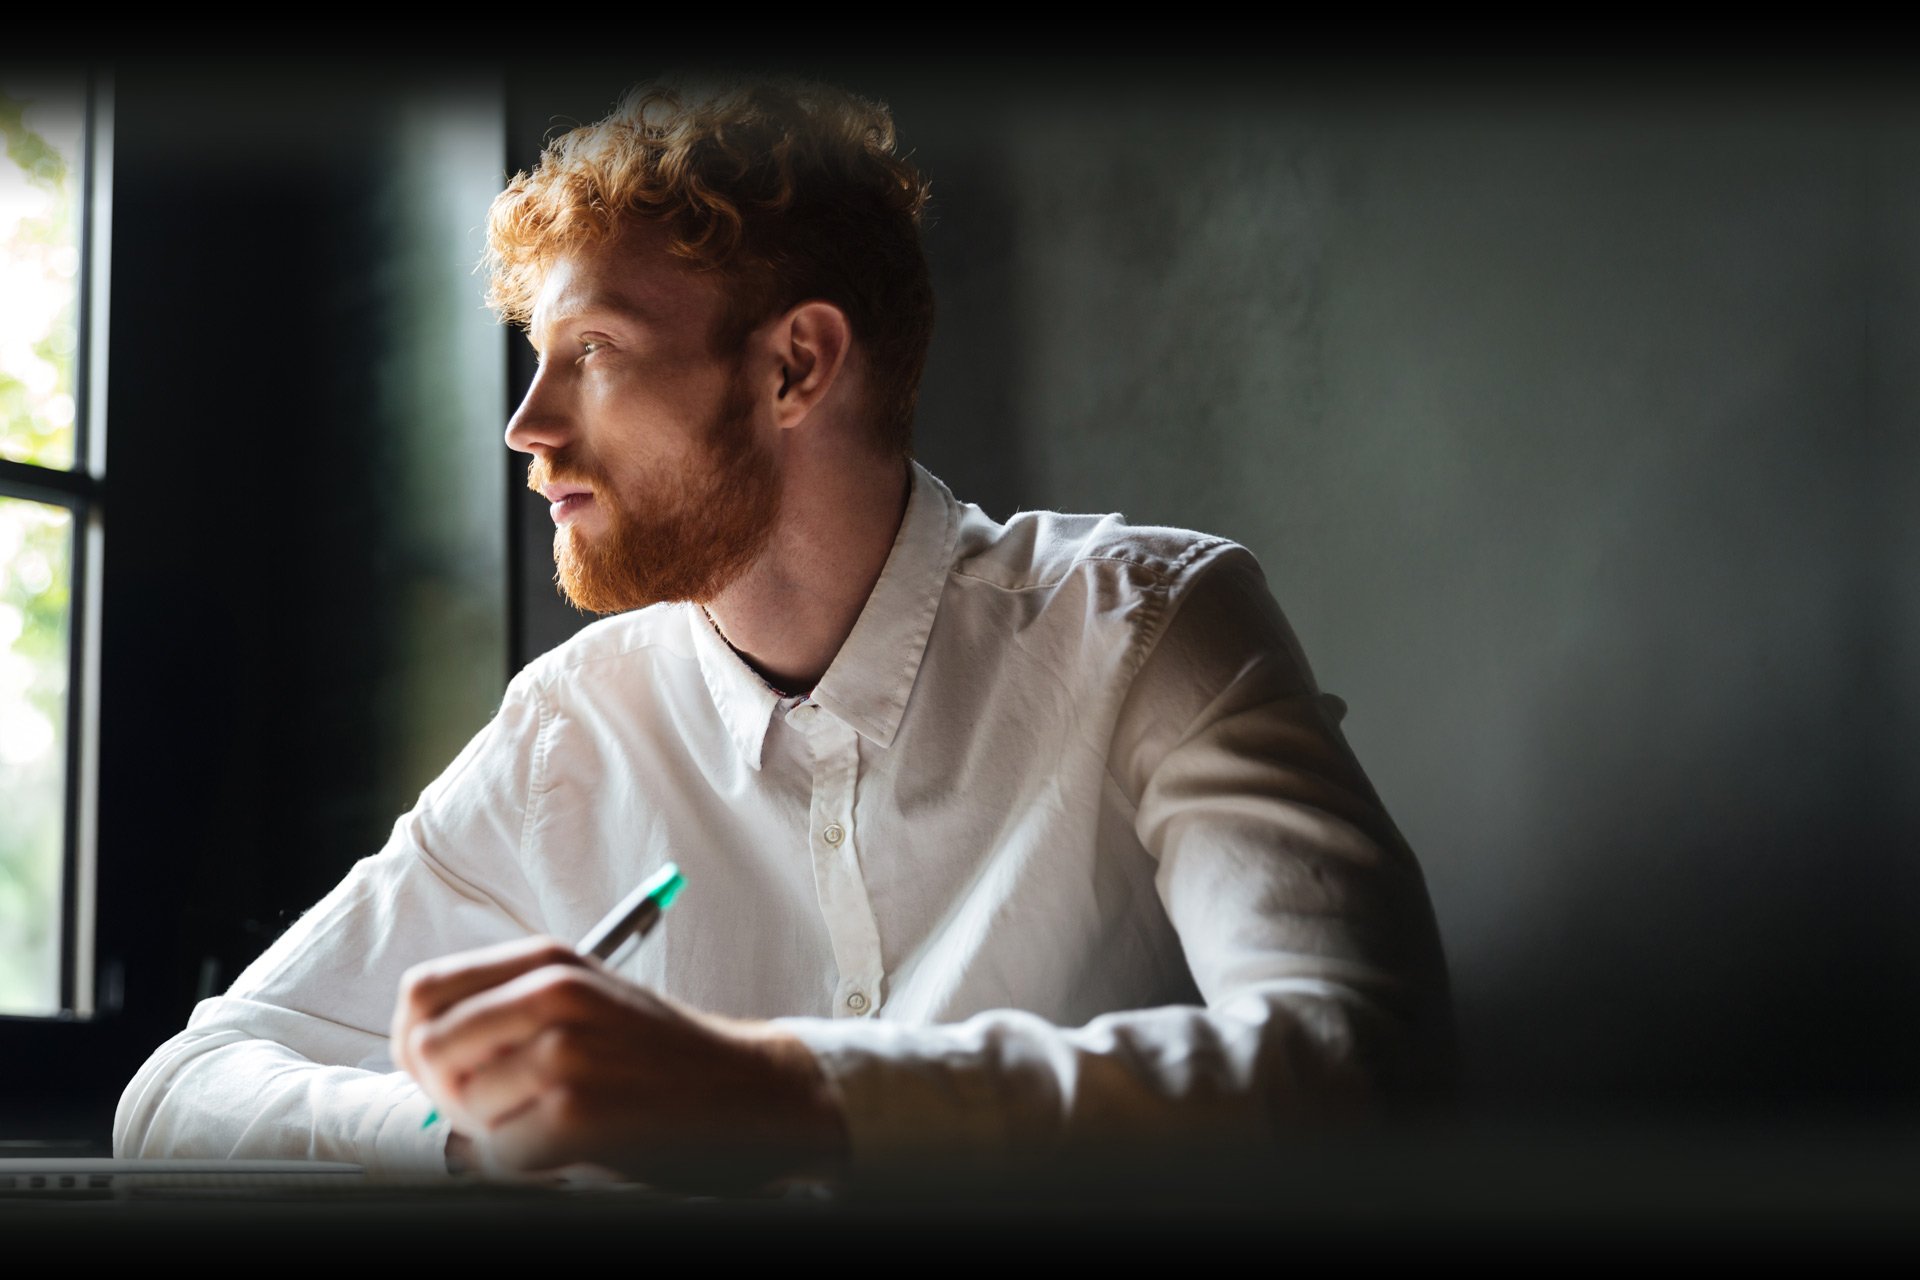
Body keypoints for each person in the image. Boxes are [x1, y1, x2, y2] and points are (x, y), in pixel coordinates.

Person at [114, 76, 1452, 1189]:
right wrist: (458, 1134)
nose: (526, 426)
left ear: (796, 365)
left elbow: (1362, 1075)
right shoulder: (568, 727)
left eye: (591, 353)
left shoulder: (1150, 627)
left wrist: (778, 1091)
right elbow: (175, 1096)